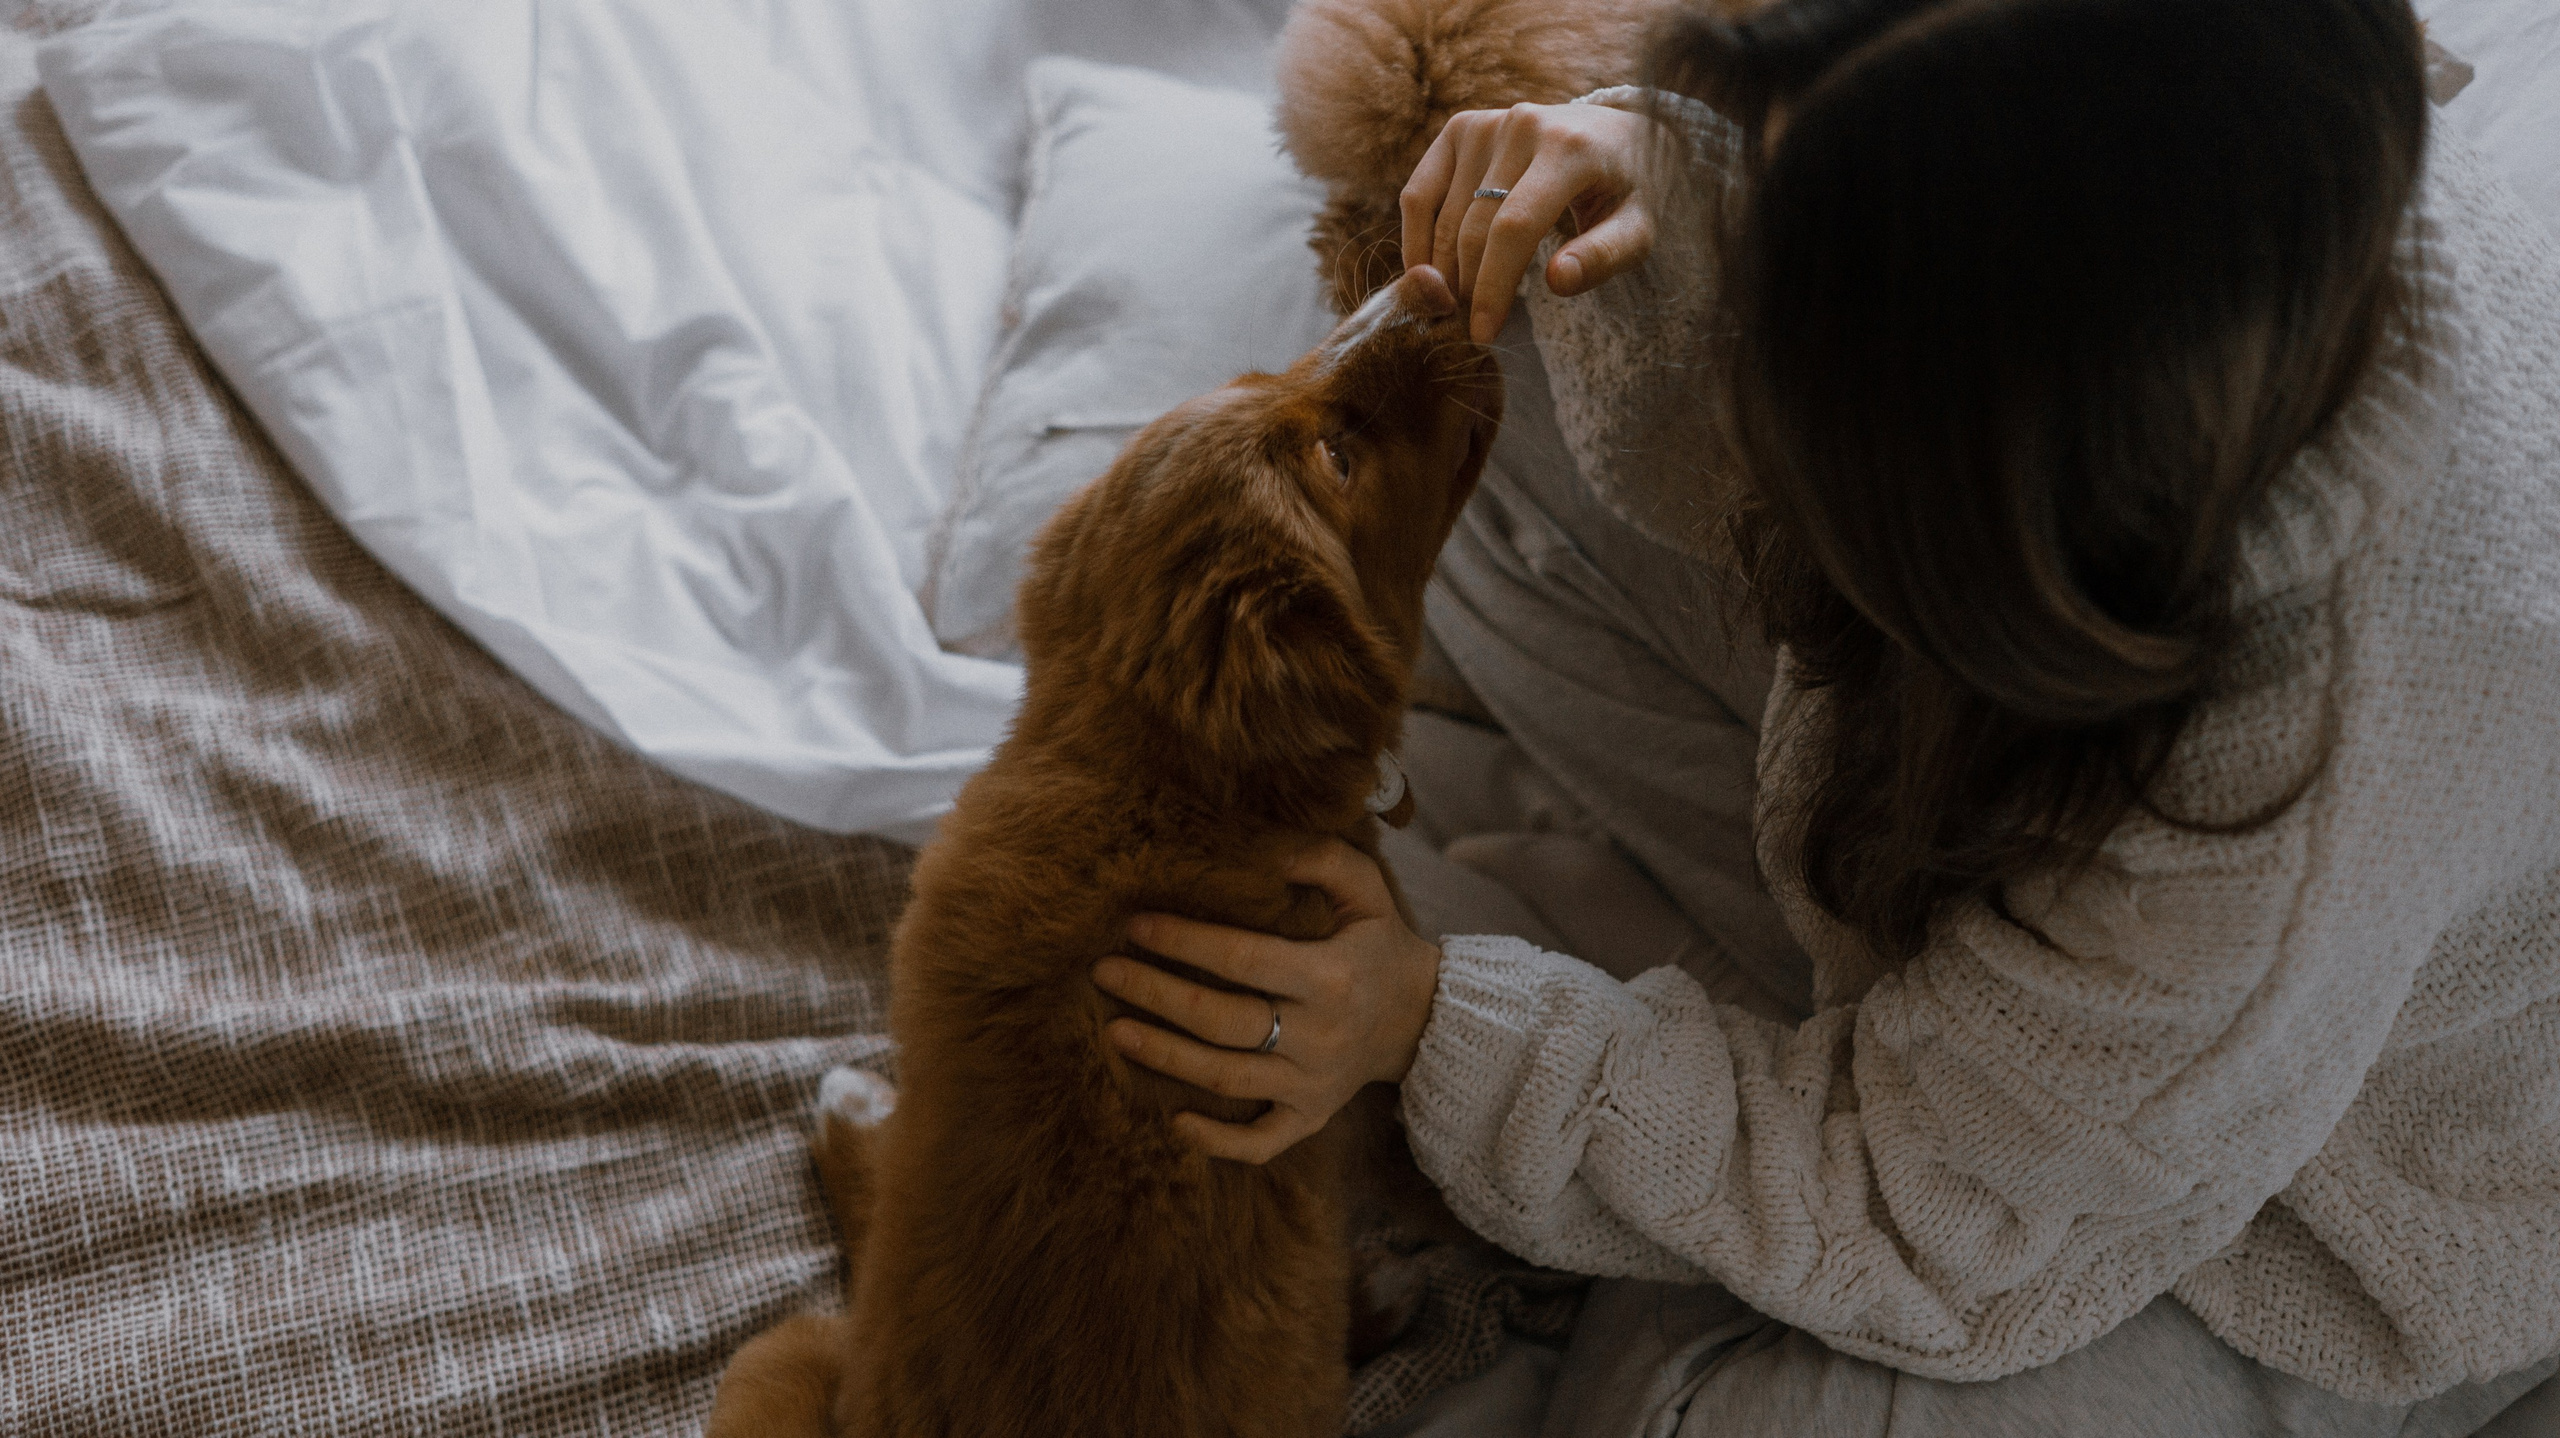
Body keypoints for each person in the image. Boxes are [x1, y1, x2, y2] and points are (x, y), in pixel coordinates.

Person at [1091, 0, 2560, 1431]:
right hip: (2046, 893)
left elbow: (1925, 1214)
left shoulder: (2283, 789)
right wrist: (1646, 151)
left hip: (2275, 1202)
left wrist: (1437, 1023)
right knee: (1491, 333)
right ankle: (1751, 1103)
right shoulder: (2197, 168)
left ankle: (1736, 1151)